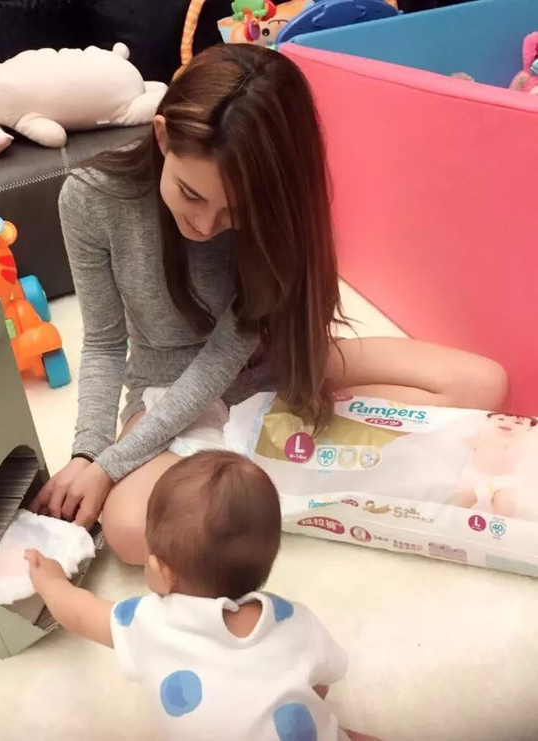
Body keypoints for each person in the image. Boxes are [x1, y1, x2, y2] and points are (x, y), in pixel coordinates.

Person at [29, 43, 507, 564]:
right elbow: (104, 344)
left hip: (277, 369)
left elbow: (232, 349)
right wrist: (93, 456)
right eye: (191, 194)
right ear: (162, 137)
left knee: (482, 386)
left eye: (234, 211)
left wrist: (112, 465)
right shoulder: (90, 198)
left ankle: (266, 472)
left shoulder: (276, 206)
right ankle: (289, 468)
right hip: (170, 391)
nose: (205, 225)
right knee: (132, 532)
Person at [26, 451, 382, 741]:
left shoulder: (151, 621)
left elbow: (78, 613)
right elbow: (321, 684)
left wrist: (51, 581)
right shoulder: (293, 619)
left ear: (160, 572)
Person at [451, 413, 537, 516]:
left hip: (504, 482)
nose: (508, 424)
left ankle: (505, 521)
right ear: (490, 419)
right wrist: (470, 442)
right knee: (459, 503)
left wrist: (482, 445)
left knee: (505, 506)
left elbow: (508, 460)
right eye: (501, 419)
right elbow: (467, 441)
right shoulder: (483, 432)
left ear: (529, 426)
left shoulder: (520, 441)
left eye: (518, 423)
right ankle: (452, 518)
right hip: (475, 476)